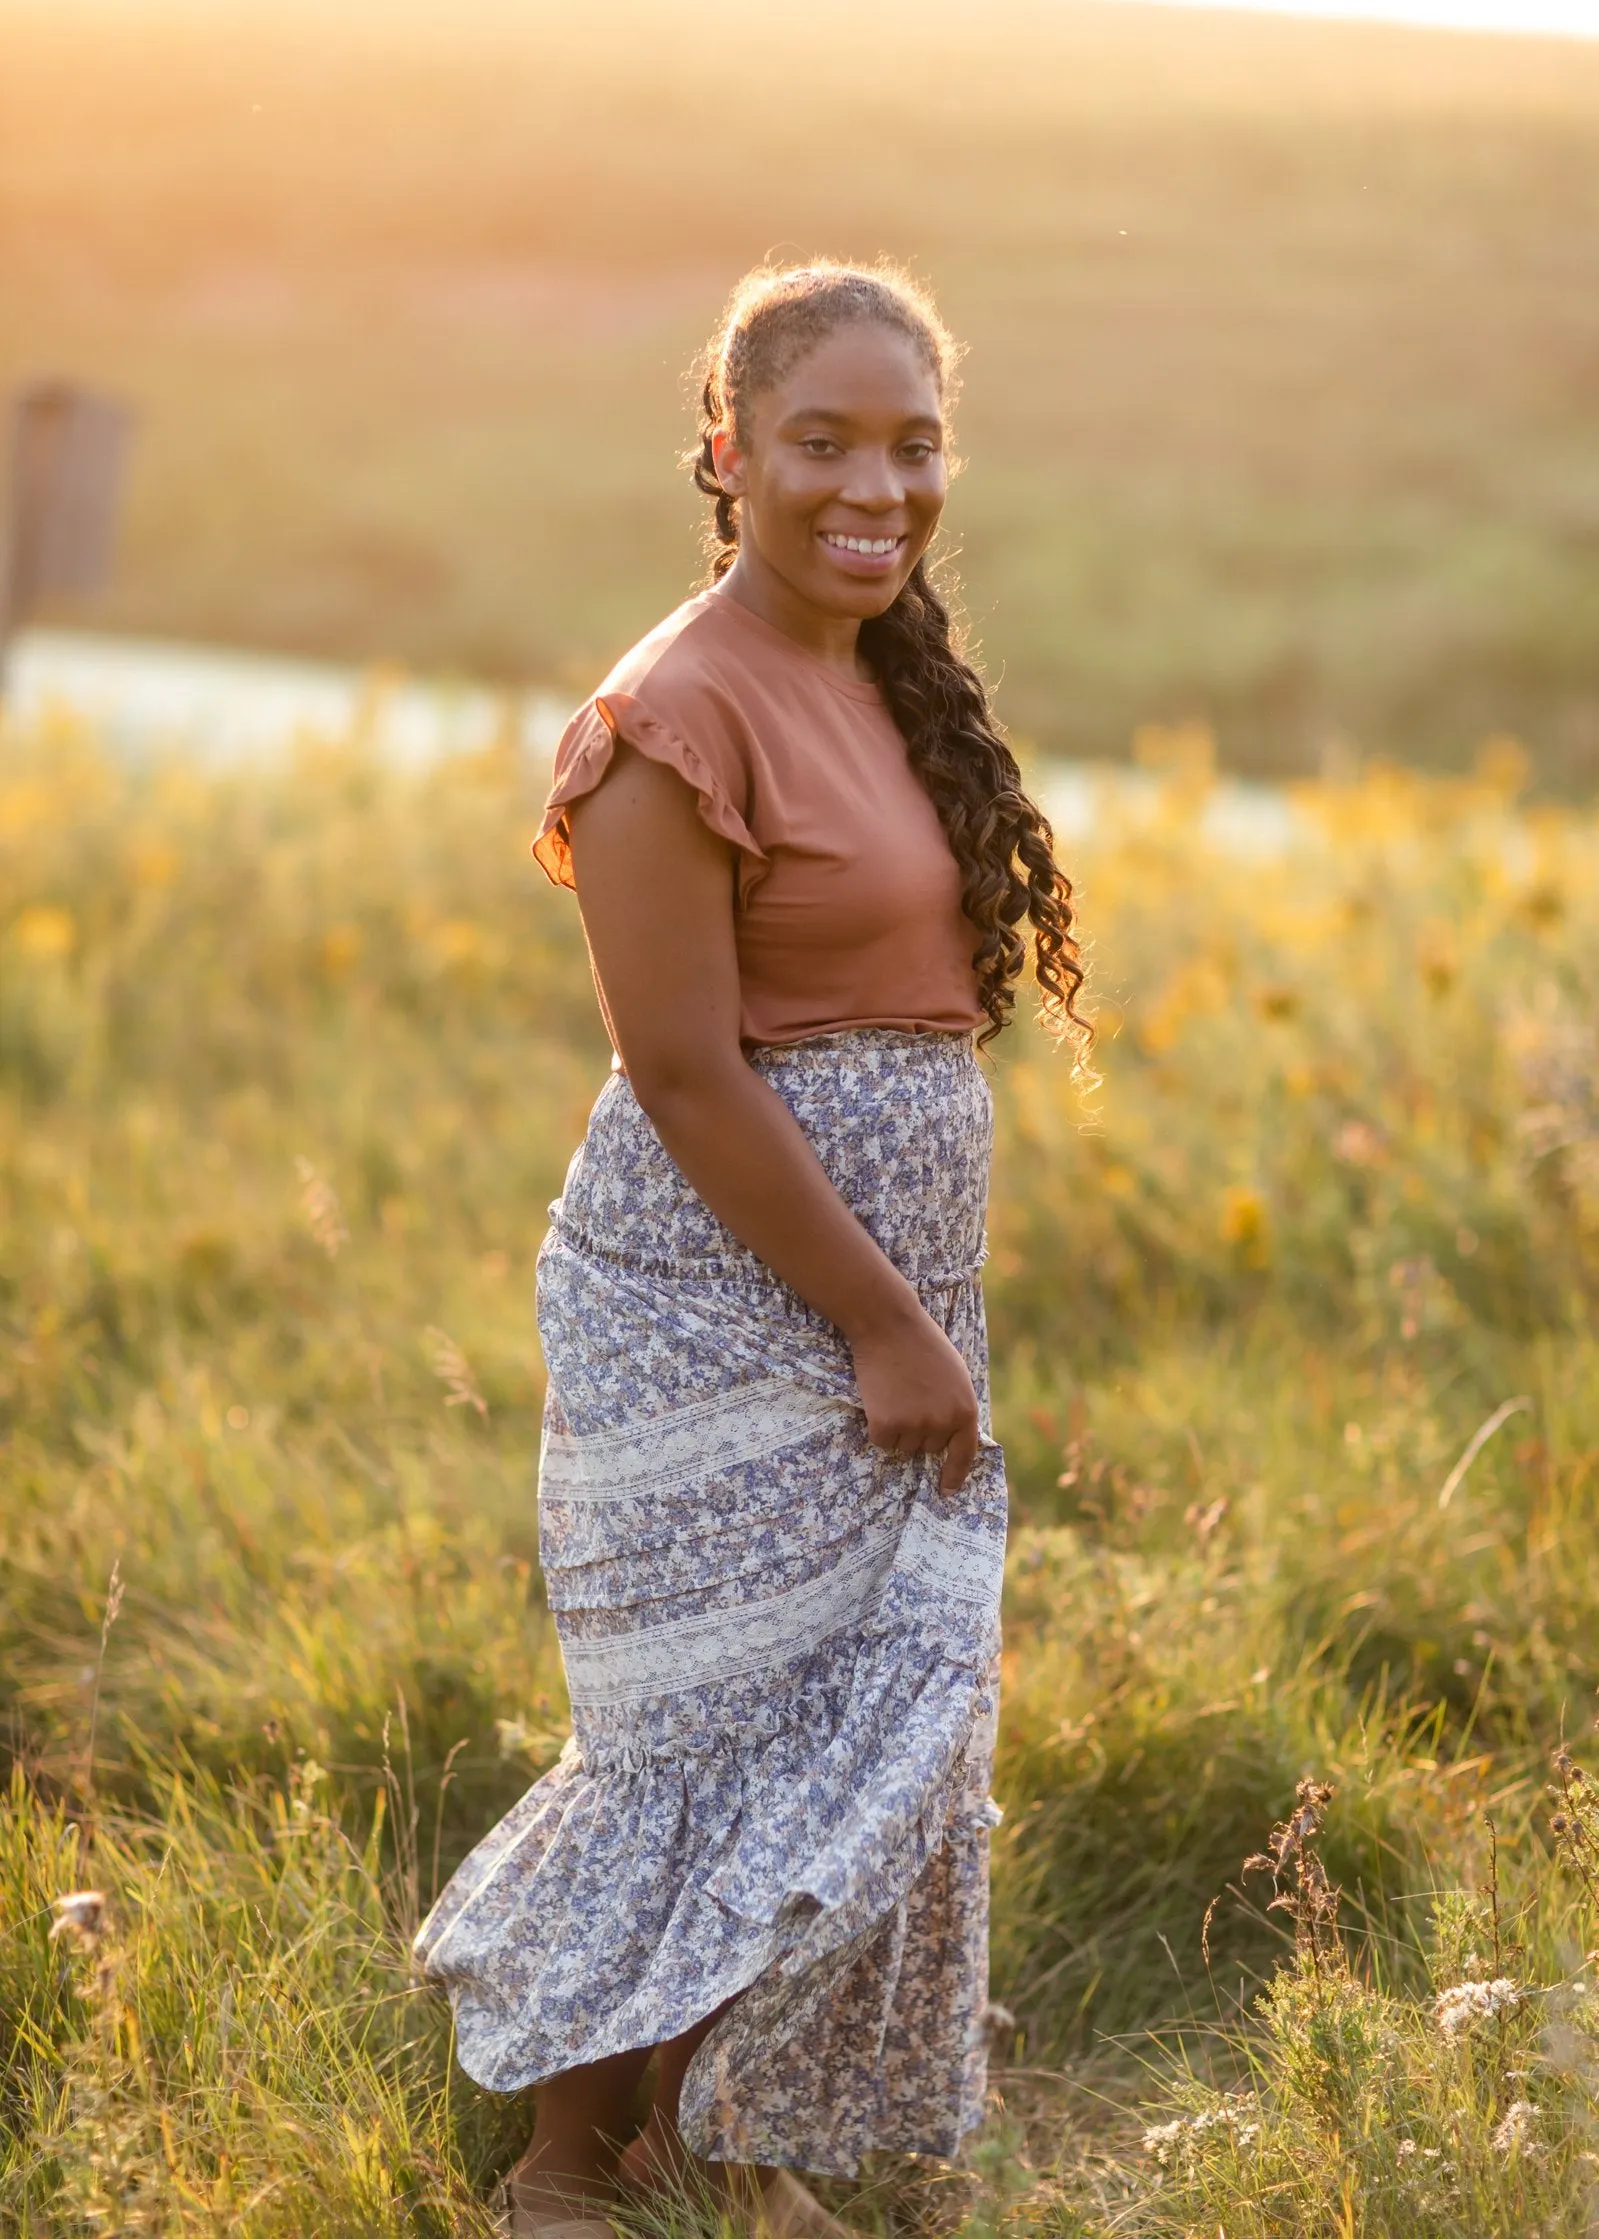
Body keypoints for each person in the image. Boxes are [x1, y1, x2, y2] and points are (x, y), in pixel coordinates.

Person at [414, 261, 1088, 2239]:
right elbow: (689, 1074)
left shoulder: (874, 666)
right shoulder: (666, 716)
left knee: (848, 1720)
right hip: (714, 1298)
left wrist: (906, 1302)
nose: (875, 484)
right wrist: (885, 1327)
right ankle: (567, 2170)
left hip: (860, 1294)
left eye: (911, 441)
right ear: (727, 452)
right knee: (706, 1727)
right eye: (823, 441)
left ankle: (729, 2139)